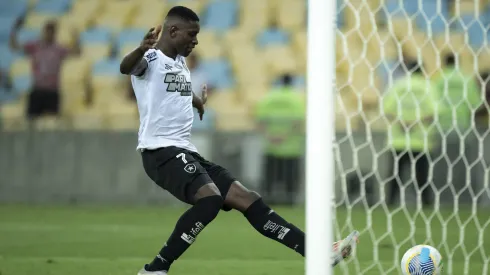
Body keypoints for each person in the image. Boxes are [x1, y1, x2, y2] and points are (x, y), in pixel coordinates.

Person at [119, 6, 359, 275]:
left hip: (185, 150)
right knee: (209, 199)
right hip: (160, 152)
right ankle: (156, 269)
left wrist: (196, 101)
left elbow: (173, 90)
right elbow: (127, 67)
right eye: (192, 34)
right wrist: (140, 48)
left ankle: (317, 254)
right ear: (172, 31)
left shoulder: (179, 63)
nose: (196, 41)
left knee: (247, 198)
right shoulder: (150, 58)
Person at [382, 60, 439, 207]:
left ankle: (389, 204)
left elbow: (387, 110)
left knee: (395, 176)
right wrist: (415, 123)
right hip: (420, 140)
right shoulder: (428, 86)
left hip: (398, 140)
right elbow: (433, 113)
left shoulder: (397, 85)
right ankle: (426, 206)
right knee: (422, 178)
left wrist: (402, 123)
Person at [9, 19, 80, 119]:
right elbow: (14, 47)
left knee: (51, 124)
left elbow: (77, 52)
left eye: (52, 31)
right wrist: (14, 30)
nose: (49, 34)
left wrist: (76, 38)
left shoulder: (58, 49)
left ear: (55, 33)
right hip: (37, 90)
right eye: (47, 31)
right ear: (44, 32)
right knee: (31, 123)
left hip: (52, 91)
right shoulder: (35, 46)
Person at [255, 73, 305, 205]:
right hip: (291, 148)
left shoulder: (269, 97)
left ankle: (268, 200)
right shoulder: (297, 98)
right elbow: (298, 122)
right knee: (290, 181)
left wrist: (270, 137)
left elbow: (260, 121)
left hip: (271, 146)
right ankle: (290, 201)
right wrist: (284, 137)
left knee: (270, 178)